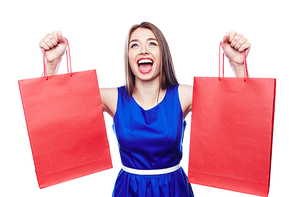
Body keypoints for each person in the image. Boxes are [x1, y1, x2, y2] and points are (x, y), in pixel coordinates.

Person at [39, 22, 251, 197]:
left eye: (152, 43)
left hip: (174, 190)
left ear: (163, 54)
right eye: (134, 45)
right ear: (128, 57)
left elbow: (237, 116)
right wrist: (52, 64)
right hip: (128, 191)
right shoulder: (113, 98)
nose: (143, 50)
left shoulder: (183, 95)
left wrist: (238, 65)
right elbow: (56, 112)